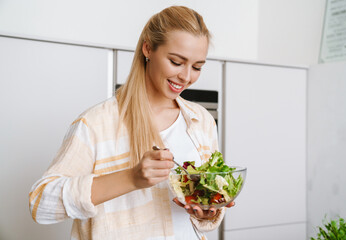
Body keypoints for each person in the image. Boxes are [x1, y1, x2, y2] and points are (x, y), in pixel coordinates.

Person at [29, 5, 233, 240]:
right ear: (148, 49)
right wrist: (131, 178)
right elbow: (40, 202)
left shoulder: (201, 121)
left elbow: (202, 218)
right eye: (176, 62)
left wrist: (207, 213)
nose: (187, 77)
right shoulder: (96, 123)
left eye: (197, 67)